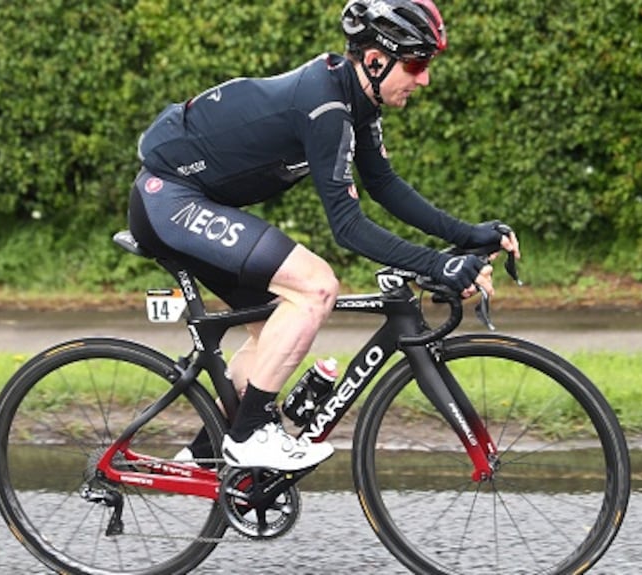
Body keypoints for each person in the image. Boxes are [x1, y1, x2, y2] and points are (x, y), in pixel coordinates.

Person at [127, 0, 520, 472]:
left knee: (275, 330)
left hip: (193, 199)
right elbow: (348, 227)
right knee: (316, 287)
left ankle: (208, 453)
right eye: (416, 65)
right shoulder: (326, 105)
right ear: (375, 61)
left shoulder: (356, 101)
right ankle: (249, 437)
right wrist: (437, 265)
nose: (424, 80)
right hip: (168, 197)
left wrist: (468, 235)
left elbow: (385, 187)